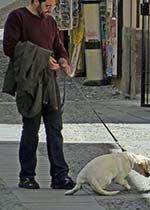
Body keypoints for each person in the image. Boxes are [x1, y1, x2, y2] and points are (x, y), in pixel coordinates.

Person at [2, 0, 75, 189]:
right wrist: (43, 58)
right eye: (48, 5)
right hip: (29, 83)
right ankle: (26, 176)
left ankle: (60, 176)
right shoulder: (17, 17)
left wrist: (64, 60)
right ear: (36, 1)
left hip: (49, 82)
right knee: (31, 130)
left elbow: (58, 46)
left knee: (55, 129)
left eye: (53, 5)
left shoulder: (50, 21)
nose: (51, 9)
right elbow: (10, 47)